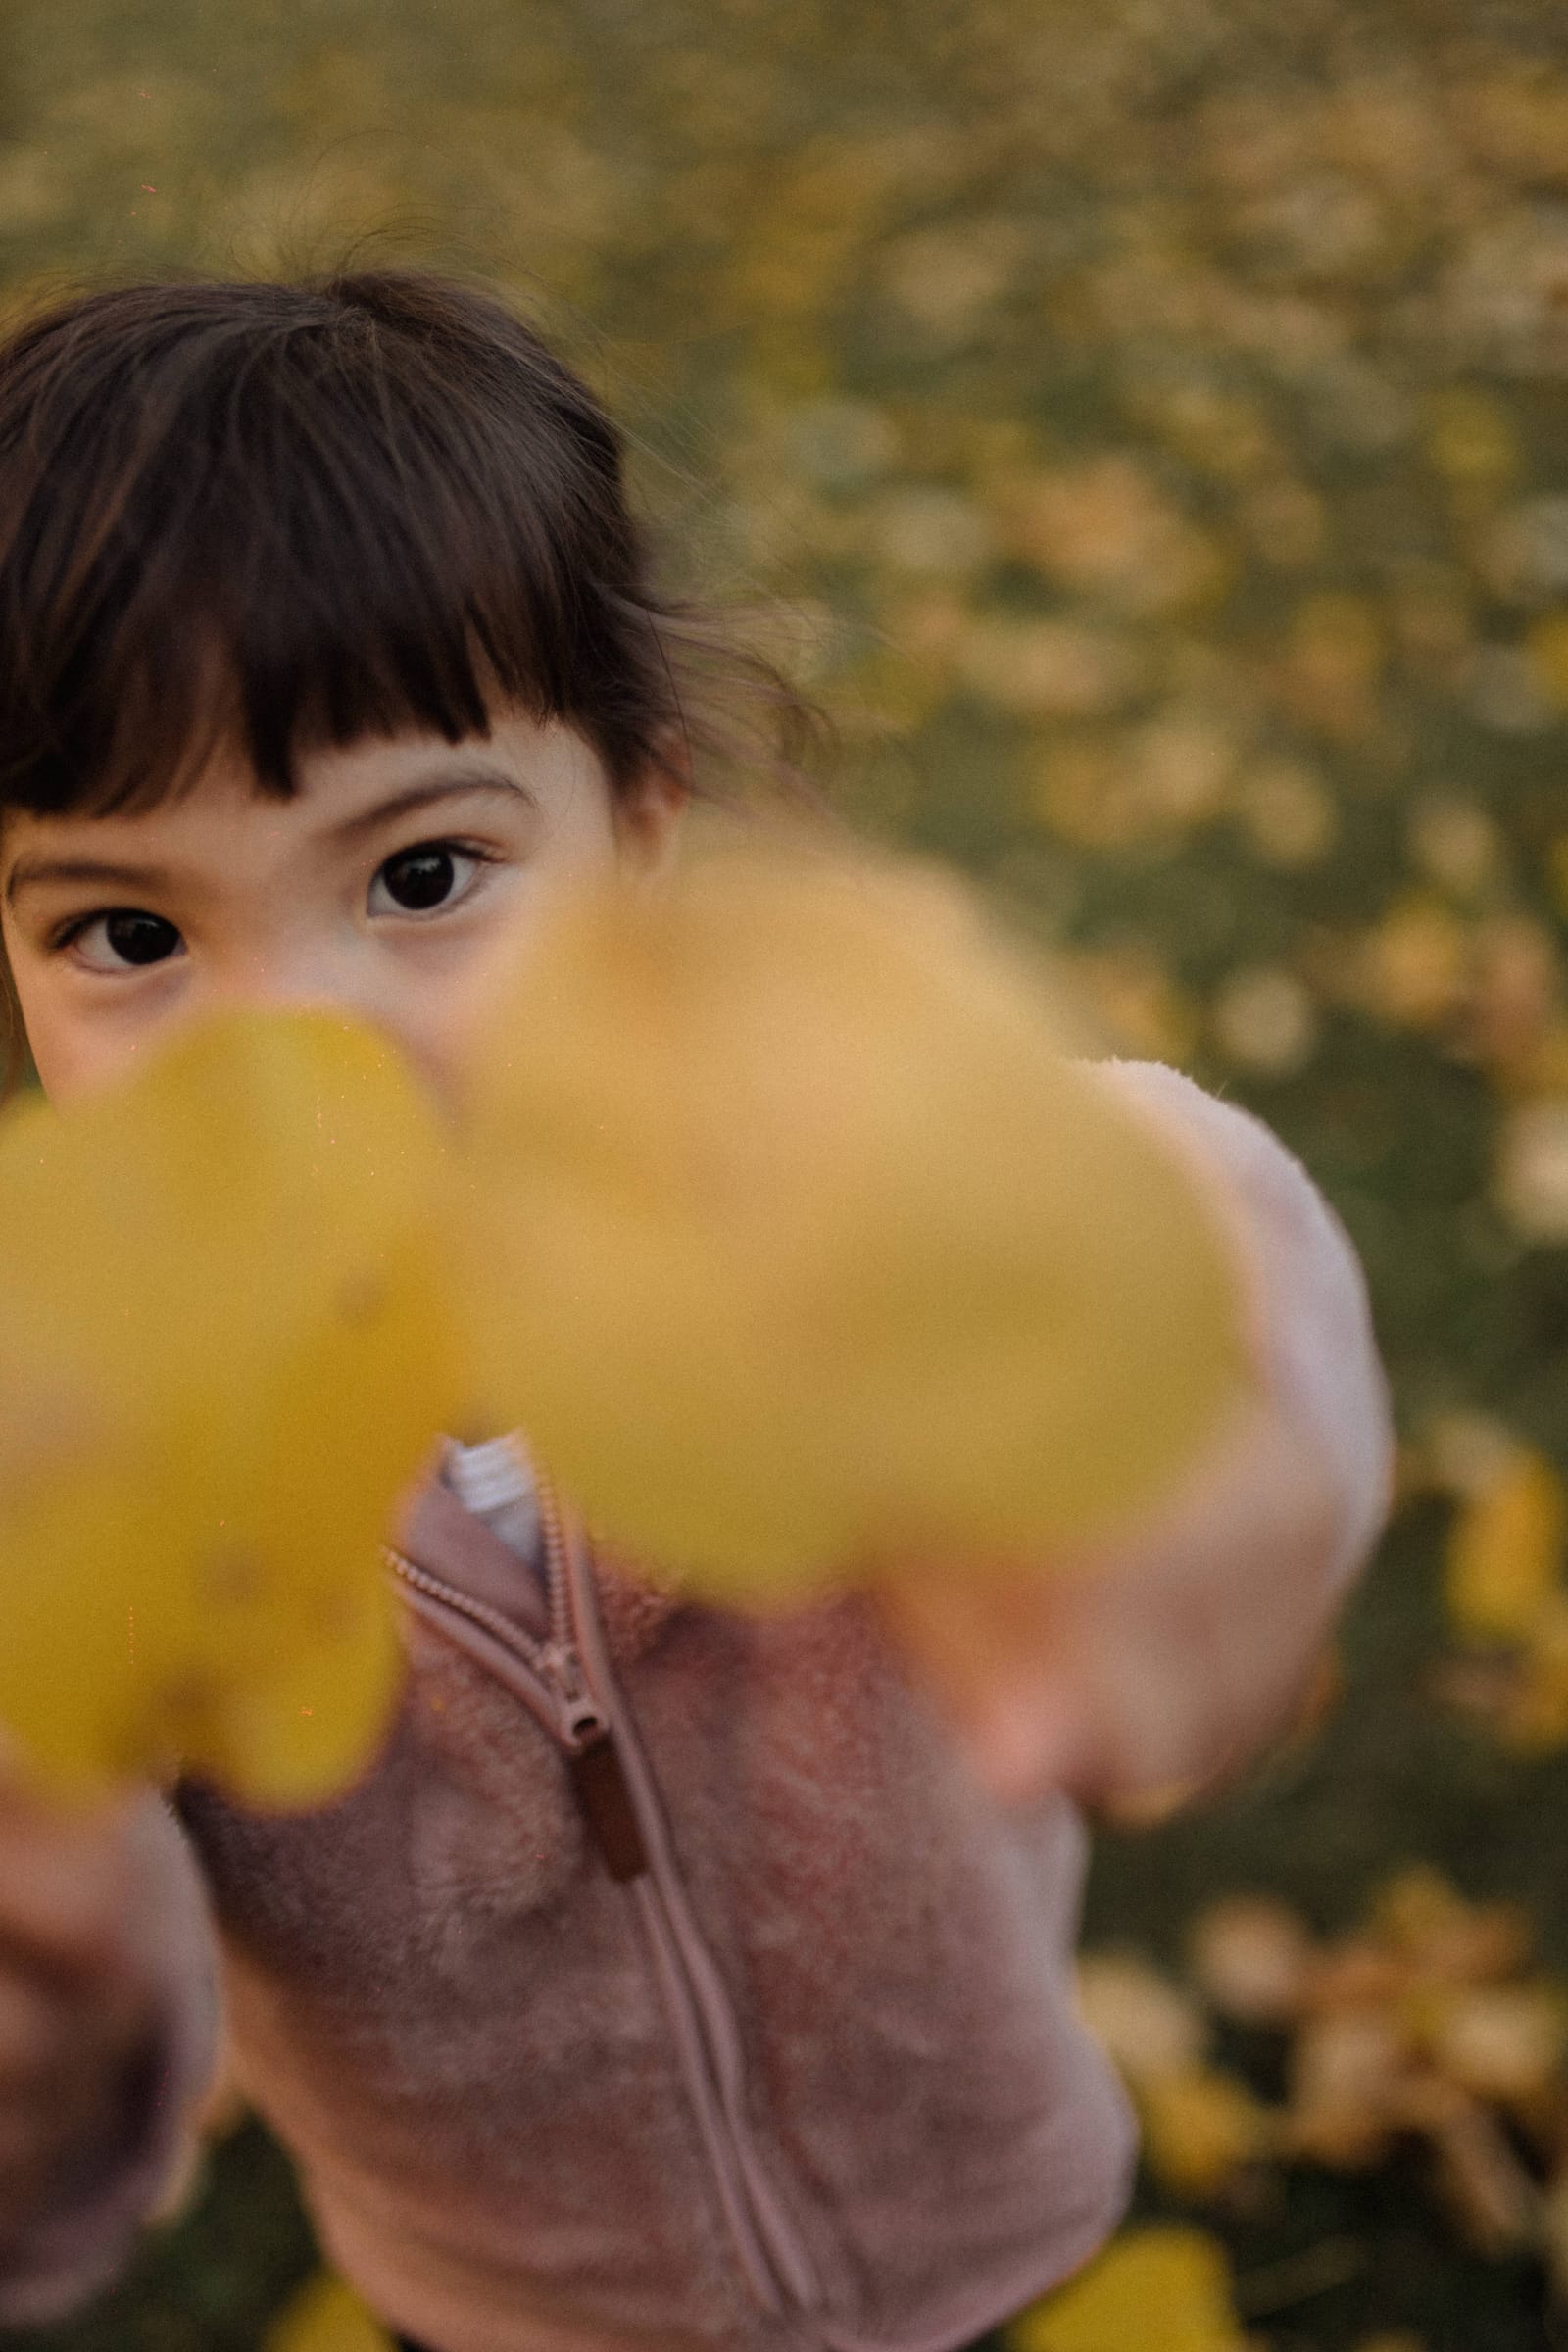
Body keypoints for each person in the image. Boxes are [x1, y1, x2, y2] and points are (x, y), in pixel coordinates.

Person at [0, 271, 1393, 2352]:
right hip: (490, 2306)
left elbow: (1160, 1210)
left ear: (640, 828)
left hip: (984, 2228)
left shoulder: (853, 1223)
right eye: (128, 932)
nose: (305, 1053)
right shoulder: (75, 1447)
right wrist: (59, 2029)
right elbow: (104, 1966)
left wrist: (1197, 1423)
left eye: (418, 880)